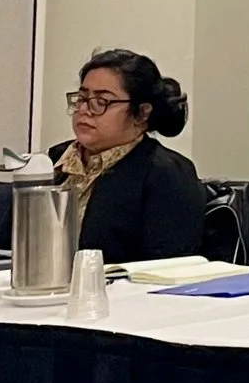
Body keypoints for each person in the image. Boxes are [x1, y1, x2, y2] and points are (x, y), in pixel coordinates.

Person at [54, 48, 208, 264]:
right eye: (82, 98)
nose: (84, 110)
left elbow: (168, 267)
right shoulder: (54, 160)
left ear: (142, 112)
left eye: (101, 101)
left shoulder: (166, 173)